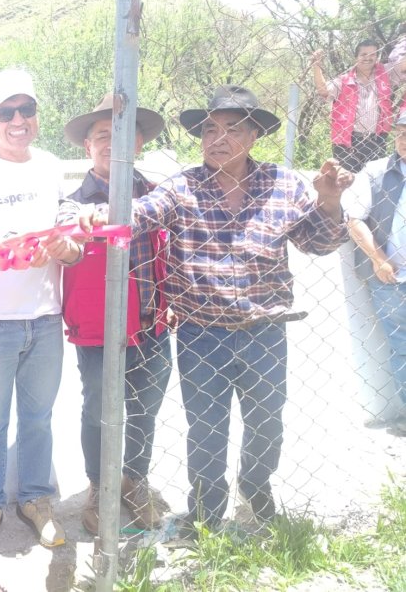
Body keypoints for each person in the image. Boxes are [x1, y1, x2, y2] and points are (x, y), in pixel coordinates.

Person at [127, 85, 353, 533]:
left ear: (253, 137)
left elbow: (319, 244)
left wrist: (329, 199)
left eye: (232, 129)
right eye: (209, 129)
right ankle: (207, 512)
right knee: (206, 430)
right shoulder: (182, 186)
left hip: (265, 333)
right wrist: (94, 216)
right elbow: (142, 213)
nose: (218, 138)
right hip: (201, 335)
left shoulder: (282, 184)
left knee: (267, 425)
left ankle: (255, 486)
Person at [0, 68, 83, 558]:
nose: (18, 120)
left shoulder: (49, 165)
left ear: (37, 116)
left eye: (26, 109)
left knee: (39, 418)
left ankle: (35, 501)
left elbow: (66, 226)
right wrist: (21, 246)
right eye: (7, 112)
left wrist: (66, 249)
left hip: (46, 317)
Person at [59, 94, 172, 533]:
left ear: (138, 142)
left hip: (152, 326)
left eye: (122, 134)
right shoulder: (72, 203)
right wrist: (79, 231)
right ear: (87, 146)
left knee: (146, 410)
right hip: (100, 333)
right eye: (102, 135)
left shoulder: (159, 196)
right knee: (98, 412)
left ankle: (134, 481)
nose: (112, 142)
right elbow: (68, 239)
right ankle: (99, 485)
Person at [345, 110, 406, 436]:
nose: (403, 139)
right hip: (394, 278)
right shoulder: (375, 171)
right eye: (400, 132)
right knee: (403, 346)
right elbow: (354, 218)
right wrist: (378, 258)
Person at [311, 39, 406, 173]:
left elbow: (402, 67)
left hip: (376, 139)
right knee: (347, 181)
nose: (368, 58)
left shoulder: (385, 73)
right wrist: (317, 65)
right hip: (348, 142)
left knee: (373, 180)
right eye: (363, 54)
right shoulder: (344, 80)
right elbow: (324, 90)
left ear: (377, 56)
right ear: (356, 57)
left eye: (372, 54)